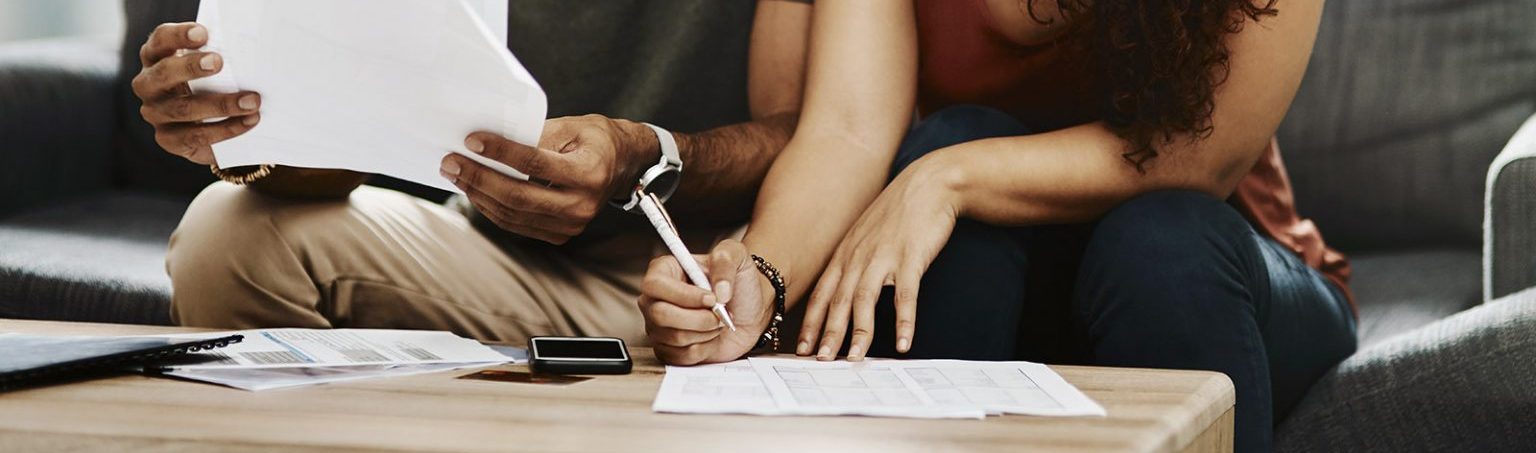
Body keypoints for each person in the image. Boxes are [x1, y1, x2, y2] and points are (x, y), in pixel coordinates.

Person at [636, 1, 1356, 451]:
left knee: (1159, 241)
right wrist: (756, 278)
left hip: (1216, 279)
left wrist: (951, 178)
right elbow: (848, 131)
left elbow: (1201, 157)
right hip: (1020, 288)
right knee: (952, 153)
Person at [131, 1, 812, 345]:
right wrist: (250, 126)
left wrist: (641, 153)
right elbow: (361, 140)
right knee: (226, 238)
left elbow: (804, 134)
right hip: (489, 244)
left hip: (693, 270)